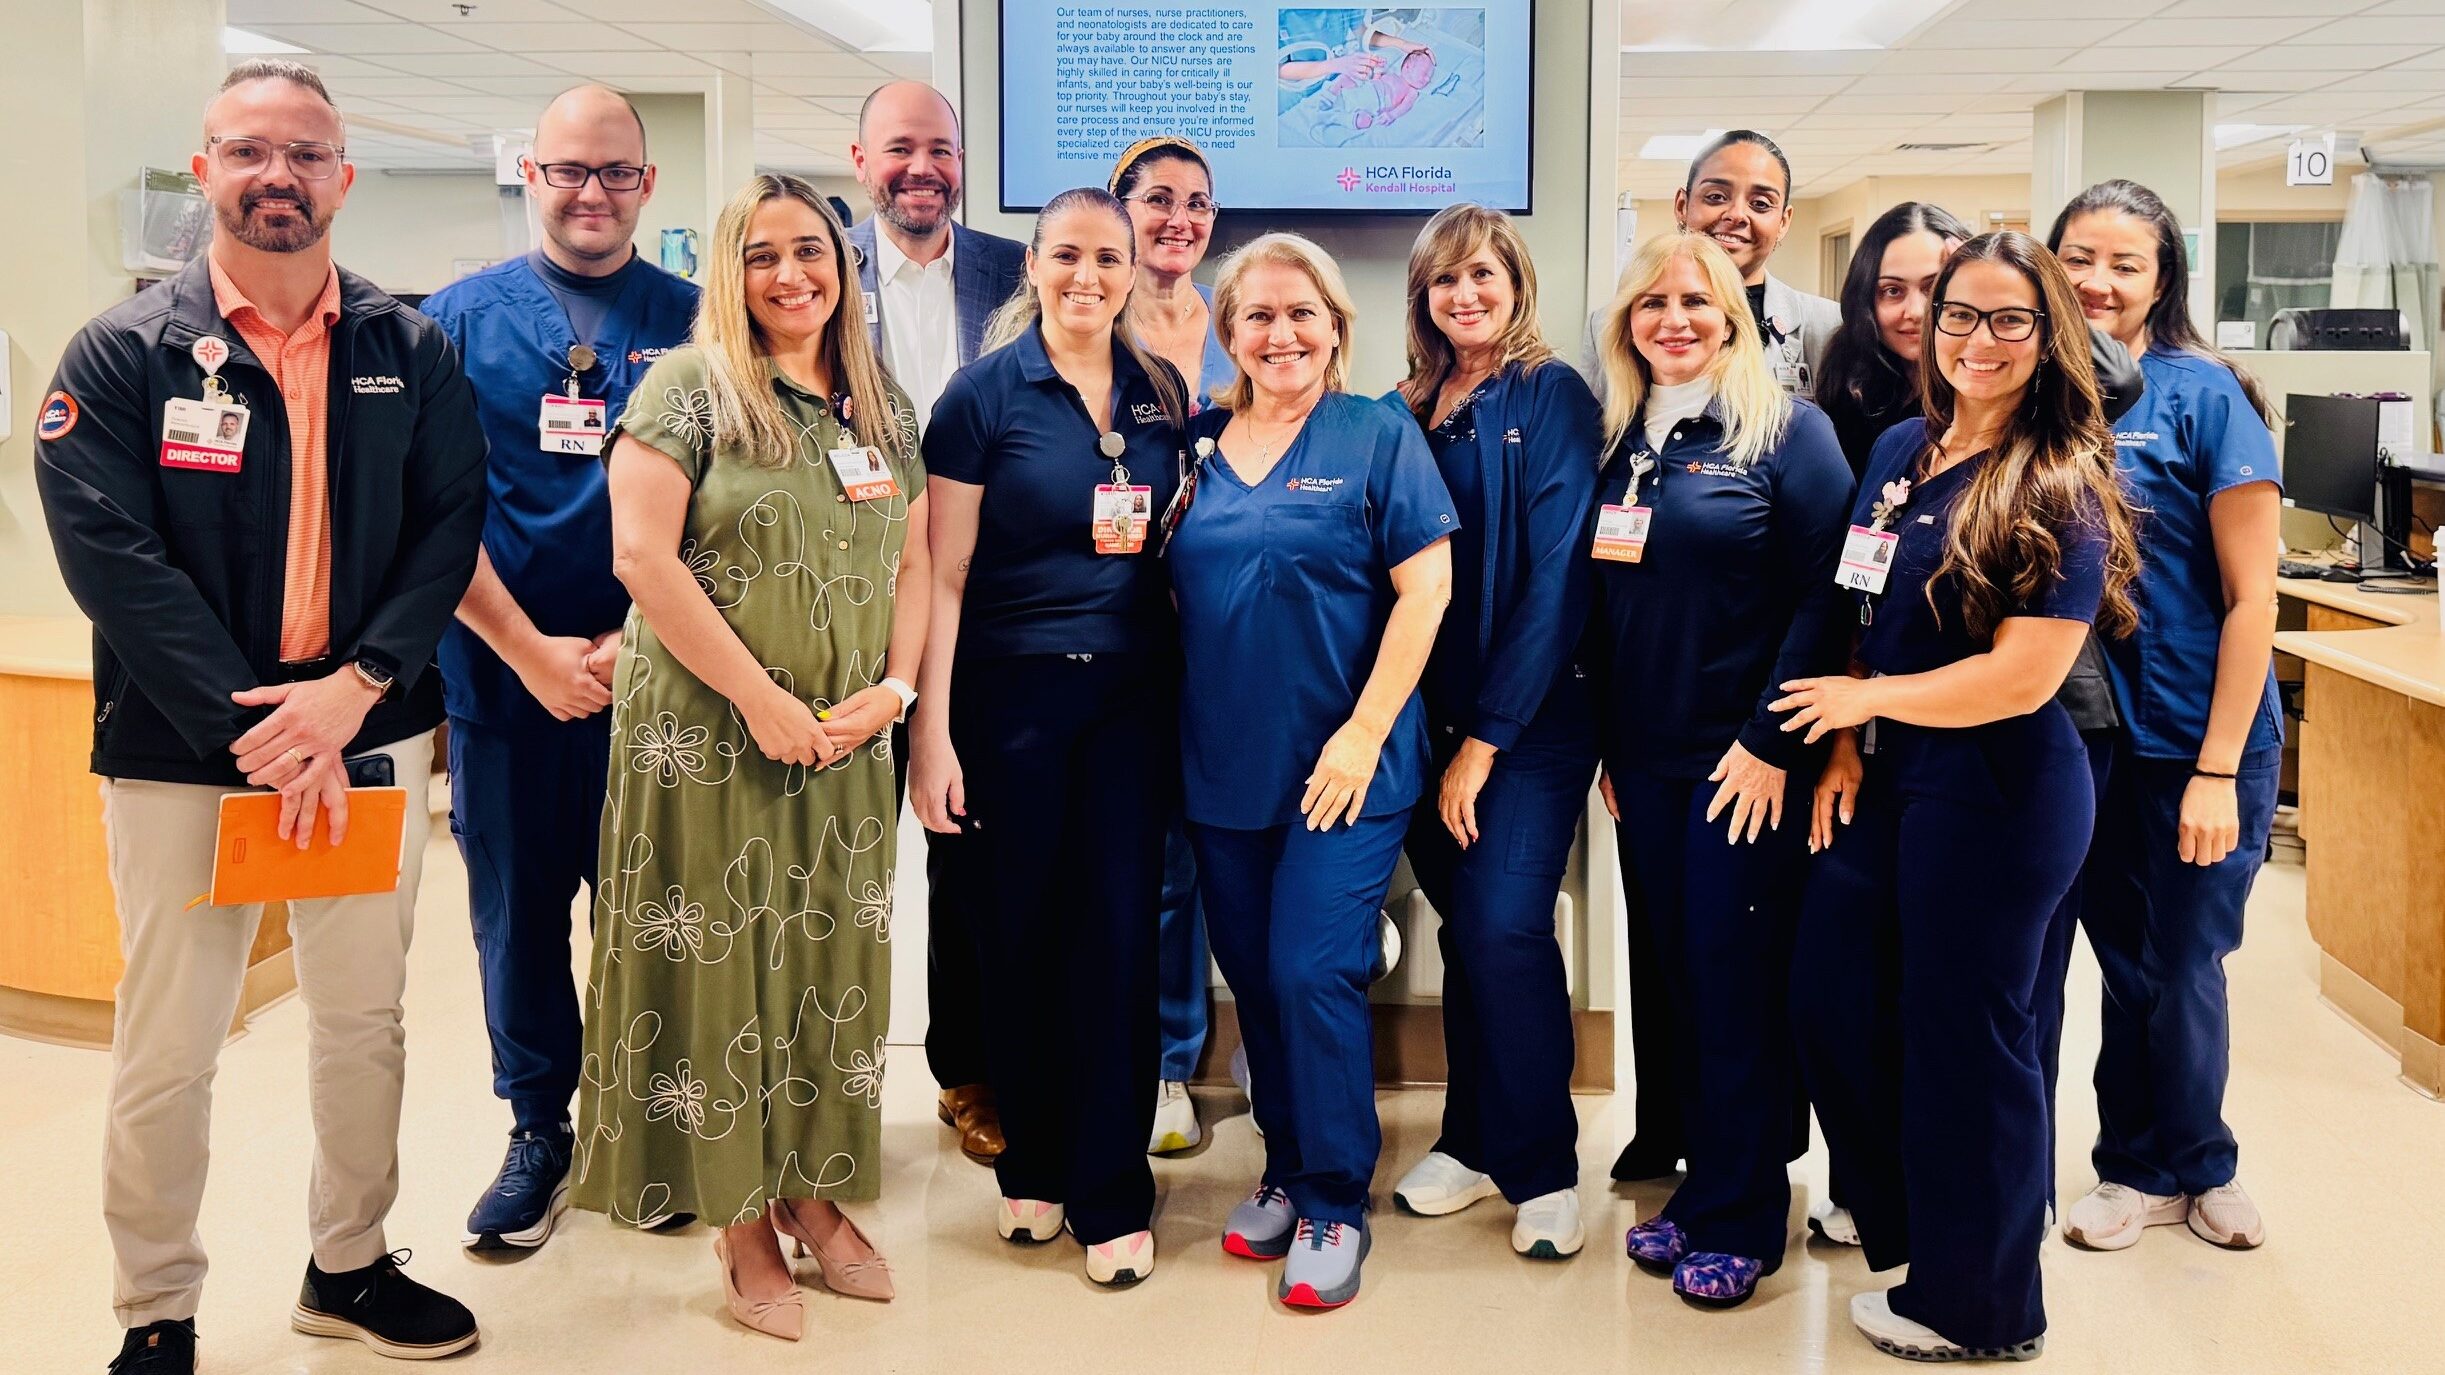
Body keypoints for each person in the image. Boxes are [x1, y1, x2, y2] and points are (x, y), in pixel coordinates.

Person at [37, 61, 485, 1373]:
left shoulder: (408, 349)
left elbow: (449, 524)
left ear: (344, 177)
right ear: (205, 171)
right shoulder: (123, 353)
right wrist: (266, 731)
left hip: (367, 735)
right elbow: (110, 556)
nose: (275, 175)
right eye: (247, 151)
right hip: (182, 752)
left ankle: (350, 1263)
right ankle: (155, 1307)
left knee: (362, 1019)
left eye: (304, 153)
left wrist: (356, 689)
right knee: (170, 1040)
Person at [572, 174, 927, 1340]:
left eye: (810, 250)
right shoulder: (689, 388)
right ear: (729, 271)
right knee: (722, 969)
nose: (790, 274)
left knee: (827, 962)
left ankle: (813, 1192)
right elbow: (641, 556)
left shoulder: (880, 403)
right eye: (761, 254)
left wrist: (896, 689)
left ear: (843, 265)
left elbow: (916, 562)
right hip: (708, 736)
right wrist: (761, 699)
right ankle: (738, 1218)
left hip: (845, 743)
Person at [1781, 231, 2142, 1362]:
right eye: (1959, 316)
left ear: (2050, 336)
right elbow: (1858, 594)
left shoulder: (2057, 480)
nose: (1978, 340)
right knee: (1838, 996)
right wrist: (1851, 736)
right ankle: (1915, 1236)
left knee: (1971, 1044)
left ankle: (1980, 1308)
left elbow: (2023, 676)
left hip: (2001, 786)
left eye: (2008, 319)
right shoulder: (1905, 446)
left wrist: (1863, 699)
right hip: (1899, 772)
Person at [417, 84, 702, 1253]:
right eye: (570, 170)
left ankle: (650, 1128)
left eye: (616, 172)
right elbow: (427, 514)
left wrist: (641, 642)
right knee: (520, 922)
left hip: (661, 684)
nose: (593, 193)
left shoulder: (699, 322)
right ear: (529, 174)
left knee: (657, 920)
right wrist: (531, 653)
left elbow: (730, 506)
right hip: (505, 681)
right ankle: (539, 1130)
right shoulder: (453, 323)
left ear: (646, 184)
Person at [908, 186, 1190, 1286]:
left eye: (1108, 258)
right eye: (1066, 254)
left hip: (1128, 703)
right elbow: (941, 574)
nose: (1088, 276)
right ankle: (1030, 1162)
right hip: (1005, 701)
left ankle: (1112, 1186)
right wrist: (931, 735)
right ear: (1031, 264)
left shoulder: (1159, 390)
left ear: (1132, 271)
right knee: (1015, 937)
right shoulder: (979, 396)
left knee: (1116, 941)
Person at [1172, 233, 1457, 1310]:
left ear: (1336, 326)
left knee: (1310, 970)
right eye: (1258, 315)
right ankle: (1286, 1169)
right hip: (1223, 763)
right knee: (1255, 976)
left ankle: (1336, 1198)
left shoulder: (1376, 434)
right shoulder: (1197, 446)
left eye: (1303, 313)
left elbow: (1427, 591)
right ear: (1227, 332)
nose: (1281, 333)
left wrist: (1363, 731)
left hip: (1347, 766)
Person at [1586, 232, 1854, 1307]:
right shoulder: (1622, 436)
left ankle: (1745, 1212)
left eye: (1696, 301)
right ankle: (1704, 1186)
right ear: (1626, 323)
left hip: (1744, 760)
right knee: (1675, 979)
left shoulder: (1788, 432)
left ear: (1732, 317)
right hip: (1644, 763)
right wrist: (1612, 746)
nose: (1674, 319)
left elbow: (1832, 595)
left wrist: (1771, 742)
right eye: (1651, 302)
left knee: (1736, 981)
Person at [2049, 179, 2285, 1255]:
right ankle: (2133, 1167)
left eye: (2124, 263)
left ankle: (2202, 1162)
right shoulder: (2041, 395)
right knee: (2126, 961)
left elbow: (2253, 599)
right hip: (2093, 739)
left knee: (2188, 958)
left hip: (2203, 735)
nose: (2097, 282)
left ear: (2162, 279)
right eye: (2078, 259)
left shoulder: (2205, 396)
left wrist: (2216, 767)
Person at [1380, 205, 1600, 1262]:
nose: (1463, 295)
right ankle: (1469, 1139)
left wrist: (1486, 741)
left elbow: (1557, 575)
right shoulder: (1404, 405)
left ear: (1515, 281)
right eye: (1444, 280)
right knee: (1467, 928)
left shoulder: (1550, 394)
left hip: (1528, 722)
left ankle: (1544, 1166)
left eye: (1482, 275)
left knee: (1505, 926)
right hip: (1425, 720)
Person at [846, 78, 1027, 1166]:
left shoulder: (1018, 272)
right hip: (836, 618)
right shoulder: (815, 269)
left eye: (941, 149)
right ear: (860, 160)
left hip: (973, 615)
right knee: (832, 868)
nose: (922, 168)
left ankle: (970, 1072)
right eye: (900, 147)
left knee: (965, 856)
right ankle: (818, 1087)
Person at [1109, 135, 1235, 1154]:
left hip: (1234, 628)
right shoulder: (1087, 326)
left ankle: (1252, 1049)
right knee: (1152, 862)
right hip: (1119, 629)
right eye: (1158, 199)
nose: (1178, 219)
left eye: (1197, 202)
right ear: (1122, 209)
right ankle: (1155, 1063)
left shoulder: (1242, 323)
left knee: (1223, 849)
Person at [1588, 131, 1839, 413]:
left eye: (1760, 204)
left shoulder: (1827, 326)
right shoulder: (1606, 326)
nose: (1736, 215)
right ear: (1682, 206)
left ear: (1783, 221)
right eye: (1716, 197)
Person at [1814, 203, 1972, 470]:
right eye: (1892, 291)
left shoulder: (1990, 390)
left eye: (1934, 288)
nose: (1916, 311)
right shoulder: (1846, 379)